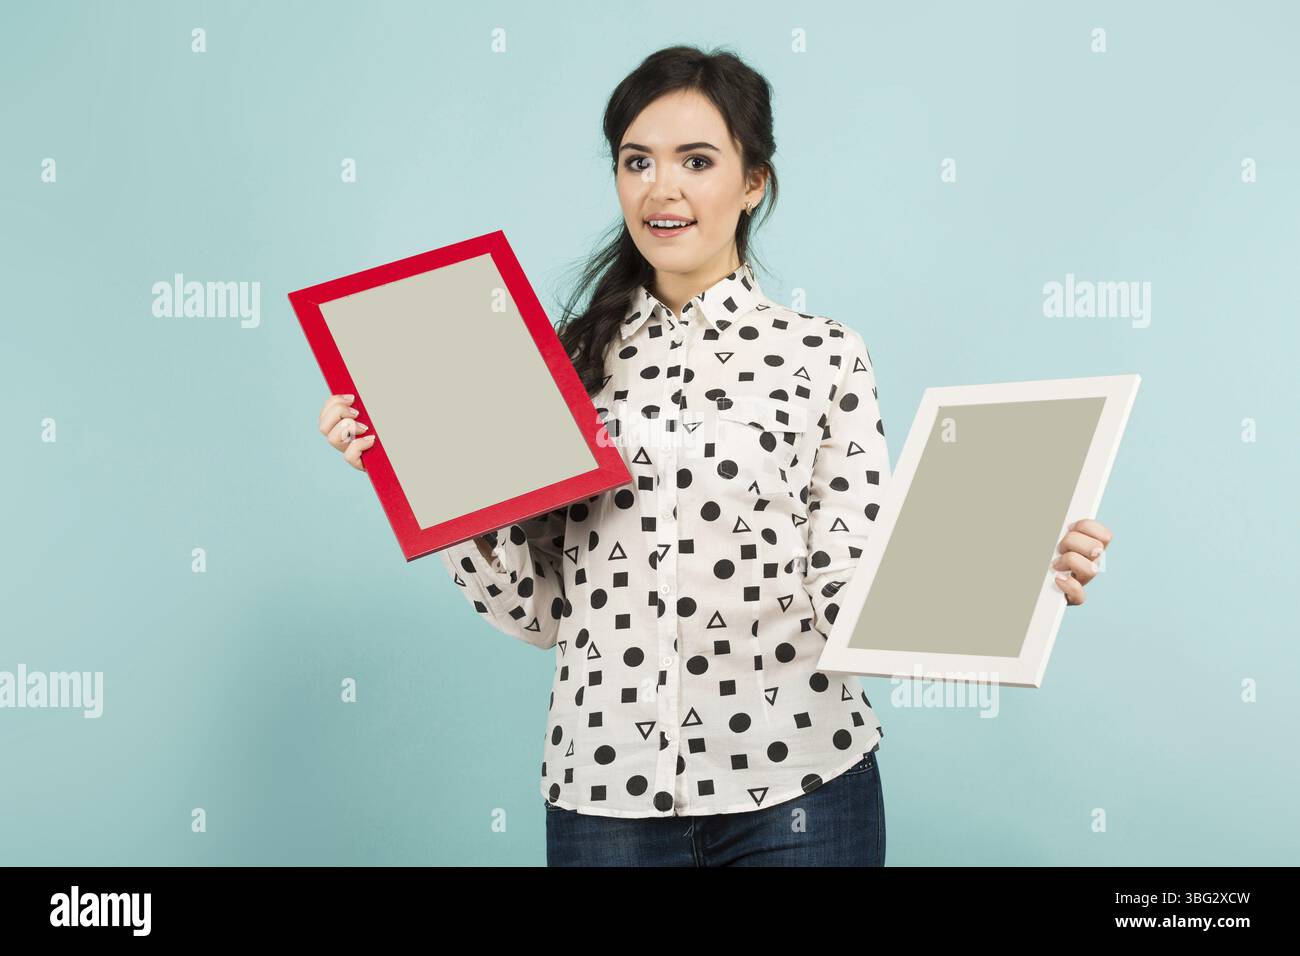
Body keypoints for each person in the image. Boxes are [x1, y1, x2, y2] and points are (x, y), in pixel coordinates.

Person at [315, 45, 1114, 867]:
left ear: (753, 181)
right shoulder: (553, 366)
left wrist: (1018, 576)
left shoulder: (826, 355)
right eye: (637, 162)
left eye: (697, 161)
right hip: (603, 798)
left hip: (802, 792)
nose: (663, 189)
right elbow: (541, 613)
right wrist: (421, 473)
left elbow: (849, 587)